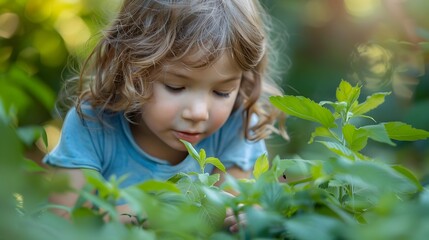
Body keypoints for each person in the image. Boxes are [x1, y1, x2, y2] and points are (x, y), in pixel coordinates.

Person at [44, 0, 288, 232]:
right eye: (175, 86)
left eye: (222, 92)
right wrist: (160, 209)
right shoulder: (93, 123)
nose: (198, 113)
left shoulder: (236, 125)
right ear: (131, 68)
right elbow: (65, 220)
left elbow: (231, 211)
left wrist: (249, 213)